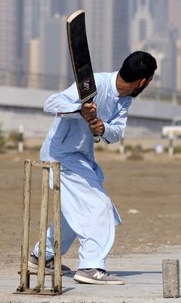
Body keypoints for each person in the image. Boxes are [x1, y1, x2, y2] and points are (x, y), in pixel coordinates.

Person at [28, 51, 157, 285]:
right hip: (61, 155)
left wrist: (102, 128)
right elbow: (52, 103)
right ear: (143, 82)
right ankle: (91, 266)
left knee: (73, 212)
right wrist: (80, 110)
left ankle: (41, 257)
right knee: (99, 206)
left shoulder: (125, 99)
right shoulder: (94, 83)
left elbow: (116, 132)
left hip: (81, 157)